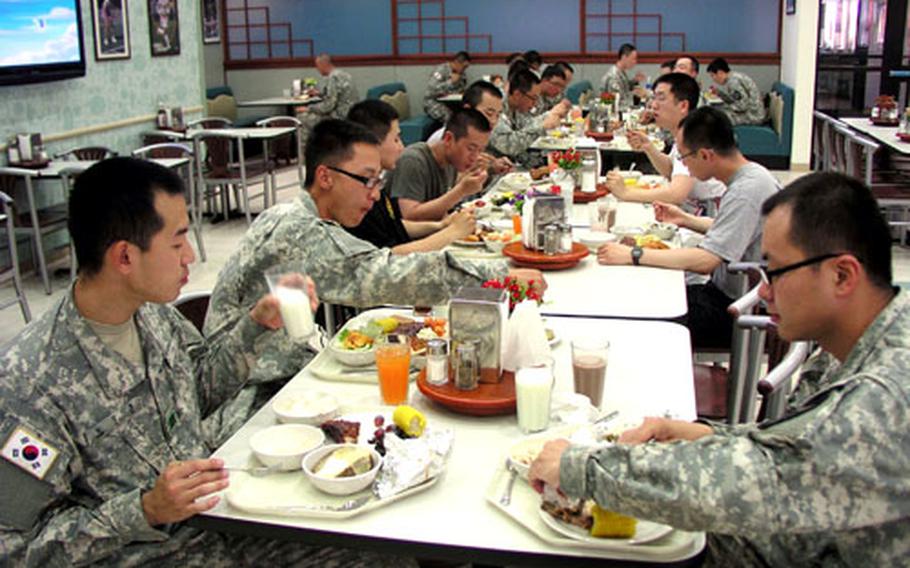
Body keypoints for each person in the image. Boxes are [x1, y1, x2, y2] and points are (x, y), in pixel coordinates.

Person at [0, 157, 408, 567]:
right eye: (177, 242)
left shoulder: (152, 316)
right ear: (124, 257)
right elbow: (15, 549)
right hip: (151, 553)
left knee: (382, 549)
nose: (191, 255)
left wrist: (256, 326)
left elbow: (197, 389)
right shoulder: (31, 382)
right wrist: (143, 509)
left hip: (220, 525)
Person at [530, 171, 910, 566]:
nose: (763, 291)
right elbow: (794, 449)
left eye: (775, 271)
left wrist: (581, 467)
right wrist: (701, 433)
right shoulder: (856, 342)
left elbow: (761, 481)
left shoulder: (890, 395)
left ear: (842, 275)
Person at [205, 119, 543, 382]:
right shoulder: (296, 229)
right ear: (325, 177)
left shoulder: (294, 214)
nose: (374, 193)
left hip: (282, 366)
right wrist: (500, 275)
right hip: (250, 392)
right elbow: (382, 273)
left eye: (378, 181)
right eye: (367, 179)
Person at [598, 106, 780, 349]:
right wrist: (685, 219)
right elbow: (735, 230)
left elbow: (706, 261)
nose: (682, 166)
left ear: (705, 155)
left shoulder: (747, 190)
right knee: (645, 295)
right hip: (728, 295)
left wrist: (634, 254)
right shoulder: (751, 176)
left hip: (739, 311)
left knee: (640, 318)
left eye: (683, 158)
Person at [346, 99, 477, 252]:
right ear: (371, 143)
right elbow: (385, 258)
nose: (401, 147)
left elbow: (394, 225)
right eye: (396, 139)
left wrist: (441, 225)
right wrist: (451, 232)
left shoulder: (375, 183)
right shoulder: (357, 194)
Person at [608, 73, 726, 214]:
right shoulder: (685, 130)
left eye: (661, 98)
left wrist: (626, 193)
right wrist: (649, 148)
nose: (653, 105)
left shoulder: (695, 135)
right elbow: (671, 169)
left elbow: (676, 194)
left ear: (683, 106)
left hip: (709, 216)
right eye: (654, 98)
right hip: (693, 211)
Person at [388, 108, 492, 221]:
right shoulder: (413, 160)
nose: (475, 157)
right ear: (448, 139)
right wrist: (461, 191)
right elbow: (409, 216)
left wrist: (469, 178)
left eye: (480, 150)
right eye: (471, 149)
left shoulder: (452, 161)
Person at [426, 81, 514, 176]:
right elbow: (447, 186)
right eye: (489, 113)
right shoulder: (444, 139)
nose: (493, 121)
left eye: (497, 115)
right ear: (468, 109)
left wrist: (491, 168)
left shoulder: (480, 134)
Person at [490, 69, 566, 167]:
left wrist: (549, 116)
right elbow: (509, 146)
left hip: (510, 165)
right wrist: (543, 126)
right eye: (533, 98)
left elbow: (526, 127)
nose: (535, 104)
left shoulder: (517, 108)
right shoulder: (497, 106)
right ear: (517, 94)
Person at [297, 54, 358, 145]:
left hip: (339, 116)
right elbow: (337, 96)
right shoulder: (343, 74)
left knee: (302, 118)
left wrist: (308, 108)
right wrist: (320, 94)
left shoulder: (332, 78)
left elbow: (328, 106)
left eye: (317, 66)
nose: (317, 69)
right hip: (351, 113)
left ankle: (307, 152)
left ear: (323, 65)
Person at [706, 57, 766, 126]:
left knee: (719, 119)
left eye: (712, 76)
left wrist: (724, 107)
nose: (713, 79)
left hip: (753, 116)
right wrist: (719, 93)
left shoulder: (733, 82)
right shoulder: (733, 77)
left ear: (720, 73)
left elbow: (742, 106)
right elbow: (735, 100)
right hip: (752, 113)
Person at [423, 51, 471, 123]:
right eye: (464, 67)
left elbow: (461, 90)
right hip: (434, 102)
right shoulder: (441, 70)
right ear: (457, 62)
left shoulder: (461, 75)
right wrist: (451, 82)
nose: (464, 70)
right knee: (451, 118)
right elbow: (431, 90)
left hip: (451, 103)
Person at [601, 43, 647, 110]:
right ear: (624, 57)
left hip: (621, 108)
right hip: (612, 113)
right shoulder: (612, 77)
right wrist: (634, 93)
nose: (635, 62)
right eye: (633, 59)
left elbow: (623, 86)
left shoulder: (620, 72)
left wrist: (635, 80)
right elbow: (614, 102)